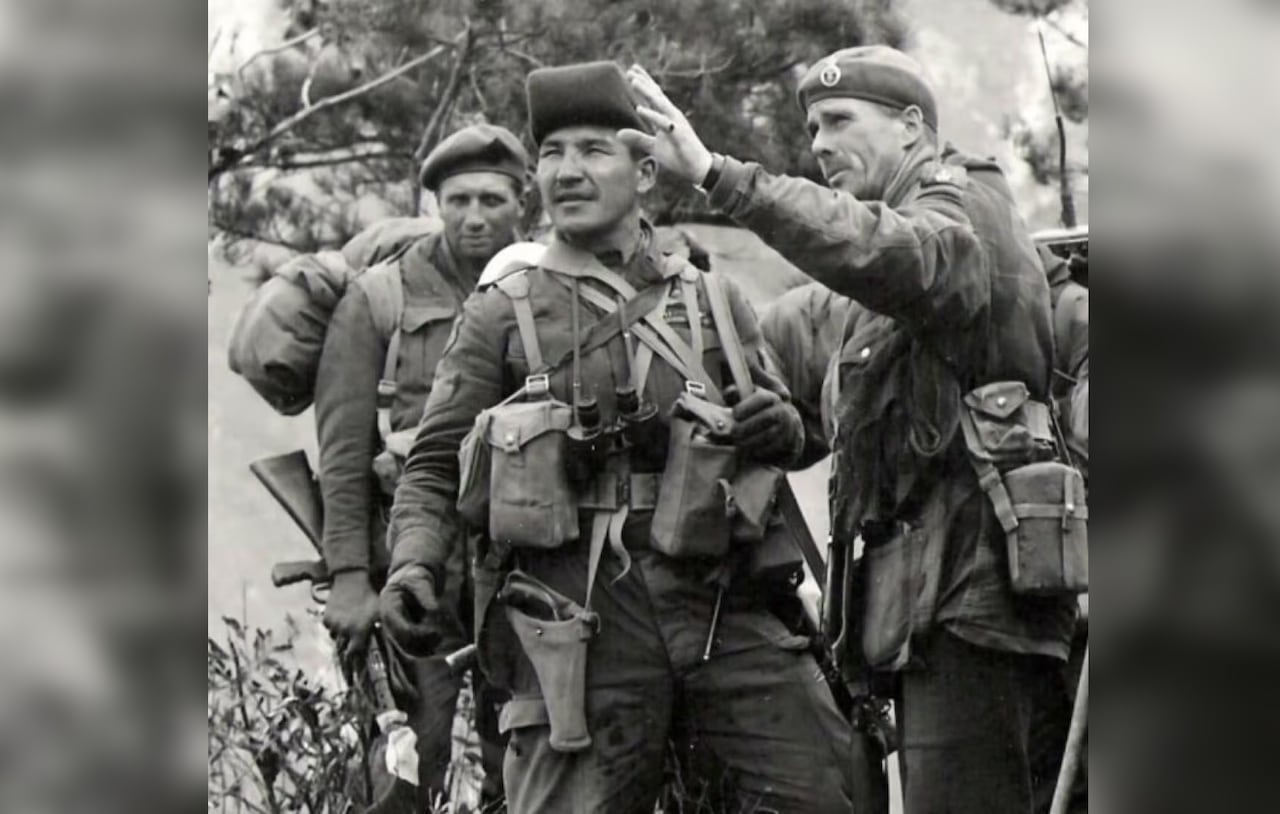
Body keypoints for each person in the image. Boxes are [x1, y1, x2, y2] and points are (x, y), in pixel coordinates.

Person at [377, 60, 853, 813]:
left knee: (825, 787)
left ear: (646, 172)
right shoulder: (504, 311)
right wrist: (412, 563)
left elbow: (790, 433)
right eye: (551, 154)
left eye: (593, 151)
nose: (566, 171)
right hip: (579, 620)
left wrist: (780, 427)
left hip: (719, 607)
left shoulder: (714, 299)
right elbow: (435, 461)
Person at [623, 46, 1077, 814]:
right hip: (931, 598)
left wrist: (718, 176)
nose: (821, 144)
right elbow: (860, 413)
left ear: (912, 128)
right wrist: (785, 428)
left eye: (839, 121)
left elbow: (885, 251)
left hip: (975, 593)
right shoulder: (882, 282)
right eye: (811, 129)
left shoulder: (963, 210)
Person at [314, 123, 529, 804]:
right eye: (459, 199)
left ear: (522, 203)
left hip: (523, 565)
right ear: (435, 203)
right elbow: (343, 453)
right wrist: (350, 577)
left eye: (492, 199)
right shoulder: (379, 298)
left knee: (523, 761)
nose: (475, 217)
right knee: (408, 761)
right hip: (411, 565)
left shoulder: (545, 287)